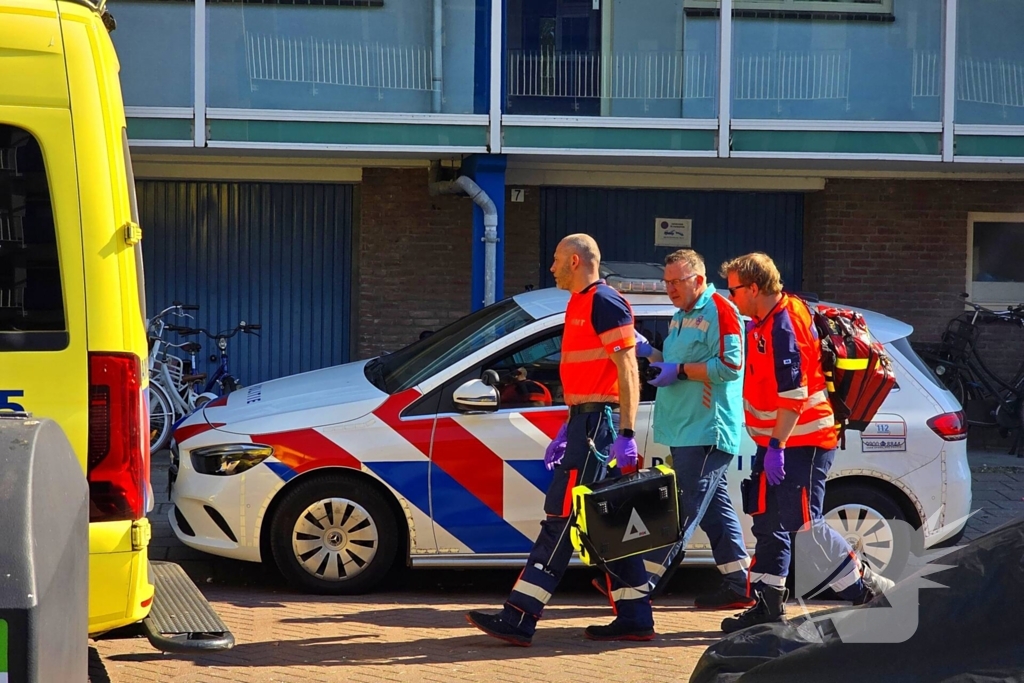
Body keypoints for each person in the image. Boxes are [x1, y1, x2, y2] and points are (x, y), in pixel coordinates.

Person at [466, 233, 654, 646]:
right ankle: (636, 616)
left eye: (555, 259)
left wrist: (624, 432)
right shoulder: (580, 304)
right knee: (612, 522)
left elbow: (627, 369)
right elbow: (592, 374)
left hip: (596, 427)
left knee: (561, 518)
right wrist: (570, 425)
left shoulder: (604, 302)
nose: (550, 267)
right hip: (585, 424)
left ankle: (519, 616)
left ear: (574, 261)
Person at [718, 253, 892, 633]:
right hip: (776, 441)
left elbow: (795, 394)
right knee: (766, 519)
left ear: (752, 288)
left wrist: (777, 446)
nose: (730, 297)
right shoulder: (763, 321)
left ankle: (865, 587)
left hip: (803, 440)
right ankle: (768, 603)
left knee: (803, 522)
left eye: (733, 289)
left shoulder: (783, 324)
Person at [634, 249, 754, 610]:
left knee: (684, 511)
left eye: (676, 282)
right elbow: (675, 363)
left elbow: (732, 366)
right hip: (685, 429)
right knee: (714, 509)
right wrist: (651, 354)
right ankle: (738, 583)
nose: (669, 288)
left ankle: (637, 587)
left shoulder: (720, 309)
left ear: (698, 280)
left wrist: (681, 371)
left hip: (705, 430)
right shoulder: (680, 316)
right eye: (666, 282)